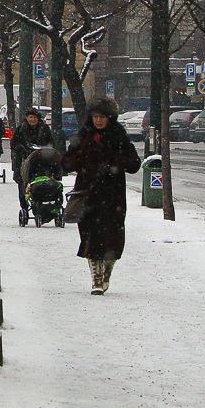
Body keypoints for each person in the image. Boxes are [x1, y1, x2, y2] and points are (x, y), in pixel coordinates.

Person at [63, 97, 142, 294]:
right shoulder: (84, 136)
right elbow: (67, 162)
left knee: (112, 238)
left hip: (112, 196)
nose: (98, 121)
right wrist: (81, 160)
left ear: (110, 118)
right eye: (95, 116)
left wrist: (114, 163)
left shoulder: (119, 136)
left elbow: (134, 164)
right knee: (90, 236)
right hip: (88, 194)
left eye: (102, 117)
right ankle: (96, 278)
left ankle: (106, 272)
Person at [10, 108, 54, 212]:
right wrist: (22, 150)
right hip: (25, 161)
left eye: (34, 117)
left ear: (38, 119)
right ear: (26, 118)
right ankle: (25, 206)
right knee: (23, 184)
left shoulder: (44, 129)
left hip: (42, 161)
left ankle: (43, 203)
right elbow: (14, 145)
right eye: (30, 117)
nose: (32, 119)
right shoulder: (20, 130)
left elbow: (51, 143)